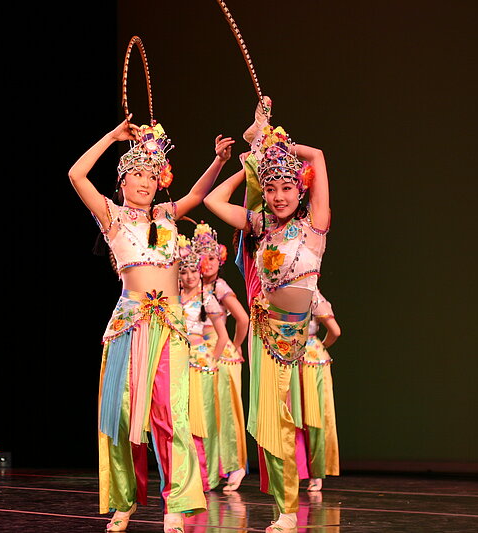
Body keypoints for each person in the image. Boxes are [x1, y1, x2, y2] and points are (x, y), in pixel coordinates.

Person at [68, 114, 235, 532]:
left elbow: (198, 193)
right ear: (122, 183)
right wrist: (112, 135)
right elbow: (76, 173)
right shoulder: (111, 215)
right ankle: (123, 503)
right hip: (129, 324)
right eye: (135, 175)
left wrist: (217, 161)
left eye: (150, 175)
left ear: (159, 181)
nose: (144, 182)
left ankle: (176, 504)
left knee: (171, 413)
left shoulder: (165, 215)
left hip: (172, 328)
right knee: (122, 417)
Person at [202, 97, 330, 533]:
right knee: (273, 421)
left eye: (286, 189)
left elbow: (317, 156)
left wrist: (275, 144)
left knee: (291, 417)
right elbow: (216, 201)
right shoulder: (260, 227)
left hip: (301, 337)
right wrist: (252, 161)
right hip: (266, 335)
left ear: (301, 190)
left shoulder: (315, 224)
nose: (277, 196)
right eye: (270, 189)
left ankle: (290, 508)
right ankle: (287, 512)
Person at [192, 223, 250, 493]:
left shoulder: (220, 287)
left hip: (221, 355)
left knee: (226, 412)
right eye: (202, 259)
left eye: (212, 258)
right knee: (207, 415)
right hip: (200, 356)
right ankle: (211, 468)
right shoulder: (191, 286)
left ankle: (235, 465)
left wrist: (236, 346)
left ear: (220, 259)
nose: (207, 264)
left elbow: (242, 318)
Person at [177, 232, 229, 494]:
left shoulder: (206, 298)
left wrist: (212, 360)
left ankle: (207, 479)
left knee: (204, 421)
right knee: (182, 421)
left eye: (192, 271)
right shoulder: (173, 298)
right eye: (183, 272)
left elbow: (223, 336)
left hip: (201, 362)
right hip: (179, 362)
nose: (189, 277)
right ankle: (186, 475)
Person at [297, 287, 340, 492]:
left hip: (311, 361)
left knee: (314, 417)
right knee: (295, 416)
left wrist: (318, 346)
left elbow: (335, 330)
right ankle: (299, 469)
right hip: (293, 358)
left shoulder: (313, 294)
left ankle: (315, 472)